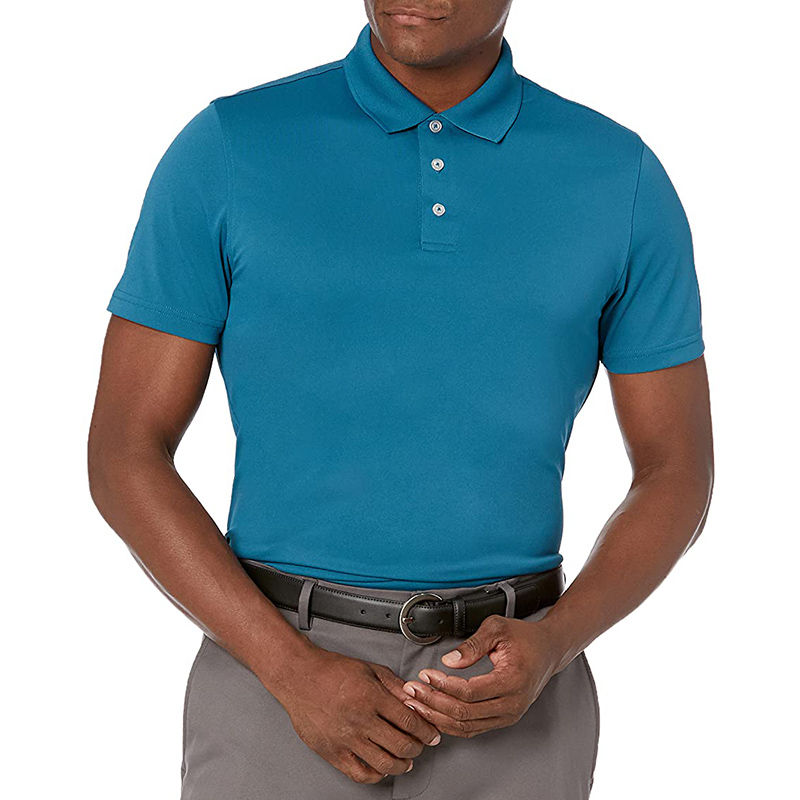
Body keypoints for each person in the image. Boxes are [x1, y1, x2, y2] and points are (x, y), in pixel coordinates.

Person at [87, 2, 714, 798]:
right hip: (271, 683)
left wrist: (556, 642)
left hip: (515, 693)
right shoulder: (230, 149)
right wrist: (290, 670)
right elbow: (124, 452)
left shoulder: (618, 177)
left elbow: (676, 472)